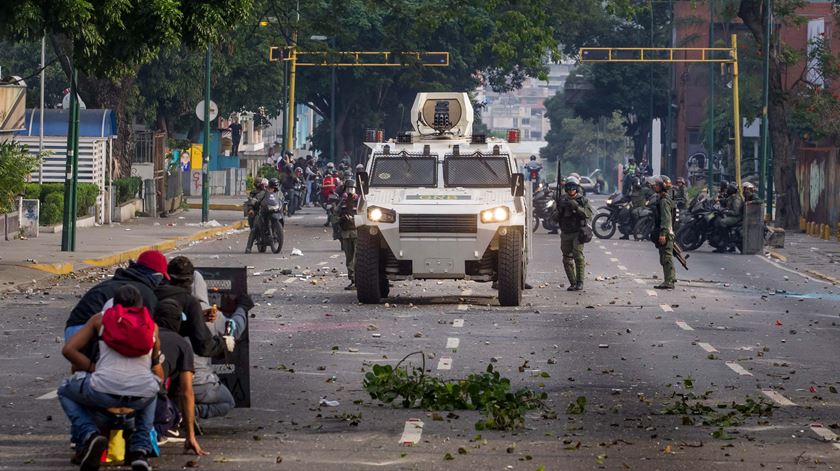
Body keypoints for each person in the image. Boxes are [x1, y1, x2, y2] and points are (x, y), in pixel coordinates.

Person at [59, 285, 162, 471]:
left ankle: (89, 435)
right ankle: (140, 449)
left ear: (114, 303)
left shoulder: (100, 320)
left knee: (65, 390)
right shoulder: (151, 326)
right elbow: (157, 368)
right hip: (140, 395)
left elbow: (68, 350)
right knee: (153, 388)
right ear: (141, 304)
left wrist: (93, 367)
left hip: (103, 390)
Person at [64, 250, 168, 343]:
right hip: (87, 333)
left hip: (72, 330)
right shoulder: (146, 293)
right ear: (156, 275)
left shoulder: (114, 282)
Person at [190, 272, 253, 419]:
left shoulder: (167, 309)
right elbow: (233, 330)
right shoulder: (210, 313)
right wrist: (242, 308)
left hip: (169, 380)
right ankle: (190, 412)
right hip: (199, 380)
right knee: (228, 402)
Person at [152, 299, 206, 456]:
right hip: (150, 402)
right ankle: (159, 430)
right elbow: (187, 392)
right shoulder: (181, 344)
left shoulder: (142, 334)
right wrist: (190, 435)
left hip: (113, 394)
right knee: (173, 414)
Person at [155, 256, 233, 358]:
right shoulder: (190, 302)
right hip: (170, 358)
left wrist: (196, 318)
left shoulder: (151, 294)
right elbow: (204, 347)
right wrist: (224, 343)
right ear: (191, 280)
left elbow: (169, 325)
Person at [554, 176, 592, 291]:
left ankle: (580, 282)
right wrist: (559, 211)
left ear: (577, 188)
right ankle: (573, 282)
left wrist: (576, 207)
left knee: (578, 256)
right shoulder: (561, 200)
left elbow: (588, 215)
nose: (571, 189)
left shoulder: (582, 200)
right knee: (566, 258)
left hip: (578, 232)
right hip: (565, 232)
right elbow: (553, 218)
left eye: (573, 187)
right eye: (569, 187)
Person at [651, 176, 676, 289]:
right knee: (665, 257)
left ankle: (669, 281)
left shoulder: (664, 201)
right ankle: (670, 278)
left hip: (666, 233)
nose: (654, 186)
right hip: (667, 232)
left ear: (662, 186)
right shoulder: (662, 198)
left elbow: (666, 219)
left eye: (657, 184)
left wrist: (663, 234)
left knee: (666, 257)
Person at [338, 179, 359, 290]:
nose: (350, 191)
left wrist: (354, 218)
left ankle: (358, 280)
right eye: (348, 189)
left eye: (352, 189)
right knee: (349, 258)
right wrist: (342, 218)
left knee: (357, 258)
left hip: (357, 233)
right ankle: (352, 279)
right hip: (346, 233)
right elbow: (335, 215)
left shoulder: (360, 201)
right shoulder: (343, 201)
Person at [715, 182, 744, 252]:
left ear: (731, 190)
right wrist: (718, 200)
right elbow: (726, 200)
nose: (727, 190)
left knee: (722, 222)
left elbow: (736, 212)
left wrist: (726, 211)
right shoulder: (732, 196)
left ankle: (725, 240)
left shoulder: (736, 198)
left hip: (736, 217)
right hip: (731, 215)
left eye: (728, 189)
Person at [245, 178, 269, 253]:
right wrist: (251, 209)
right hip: (258, 213)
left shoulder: (269, 192)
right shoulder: (254, 193)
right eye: (263, 185)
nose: (264, 186)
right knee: (254, 229)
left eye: (265, 185)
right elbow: (250, 203)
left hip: (268, 212)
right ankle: (248, 247)